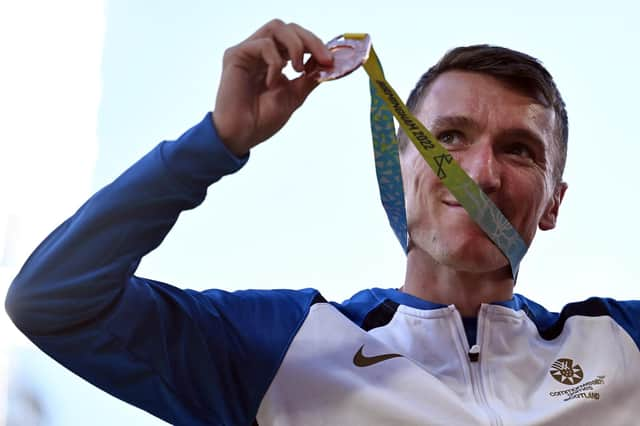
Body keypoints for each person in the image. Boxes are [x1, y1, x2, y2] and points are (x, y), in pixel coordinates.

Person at [5, 19, 640, 426]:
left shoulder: (620, 346)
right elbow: (54, 302)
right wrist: (216, 141)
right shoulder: (285, 347)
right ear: (395, 171)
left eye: (519, 150)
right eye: (448, 137)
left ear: (554, 202)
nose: (479, 173)